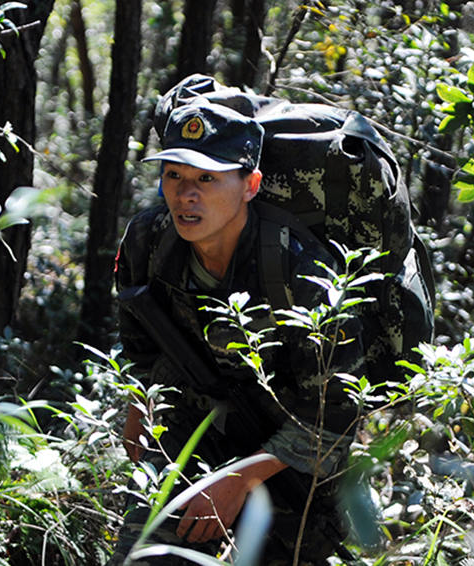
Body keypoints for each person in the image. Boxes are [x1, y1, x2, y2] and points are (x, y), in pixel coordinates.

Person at [108, 98, 366, 565]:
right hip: (194, 424)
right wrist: (138, 404)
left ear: (250, 186)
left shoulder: (302, 273)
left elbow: (336, 416)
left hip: (290, 451)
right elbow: (140, 345)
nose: (187, 195)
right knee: (145, 557)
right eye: (174, 176)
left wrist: (241, 480)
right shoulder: (148, 242)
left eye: (207, 179)